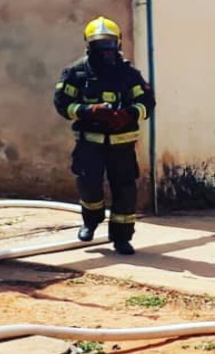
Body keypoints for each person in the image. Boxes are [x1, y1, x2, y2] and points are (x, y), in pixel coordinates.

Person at [53, 16, 155, 255]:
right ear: (89, 44)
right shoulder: (76, 73)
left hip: (122, 145)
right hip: (90, 144)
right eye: (99, 44)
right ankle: (91, 220)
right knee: (89, 185)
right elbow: (62, 104)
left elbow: (147, 102)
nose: (106, 50)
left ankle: (122, 238)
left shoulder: (129, 74)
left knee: (125, 190)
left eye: (109, 44)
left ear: (118, 44)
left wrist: (129, 114)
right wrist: (89, 111)